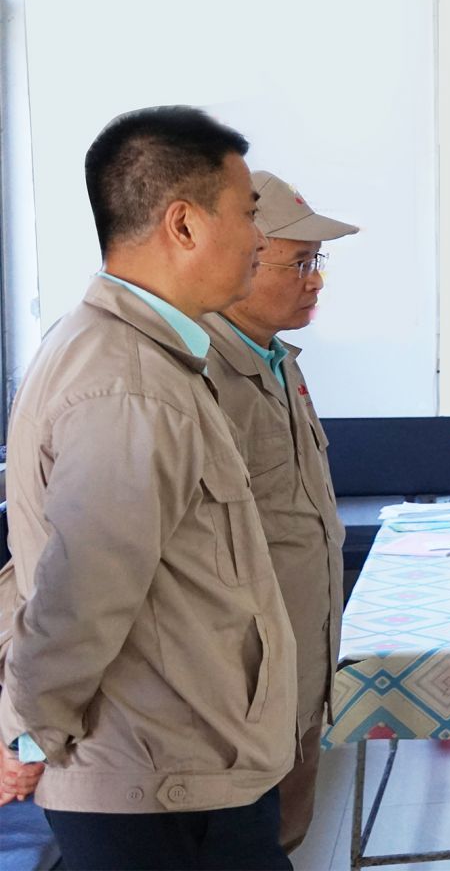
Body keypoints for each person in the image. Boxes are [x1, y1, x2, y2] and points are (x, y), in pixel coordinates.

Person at [0, 106, 296, 869]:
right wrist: (25, 738)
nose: (260, 240)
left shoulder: (141, 356)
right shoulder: (129, 383)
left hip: (176, 775)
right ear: (184, 224)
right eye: (249, 214)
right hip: (162, 790)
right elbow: (77, 598)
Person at [198, 170, 355, 852]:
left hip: (299, 667)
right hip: (239, 690)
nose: (315, 281)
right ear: (241, 258)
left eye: (318, 262)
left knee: (288, 834)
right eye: (299, 263)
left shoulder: (280, 360)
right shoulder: (198, 373)